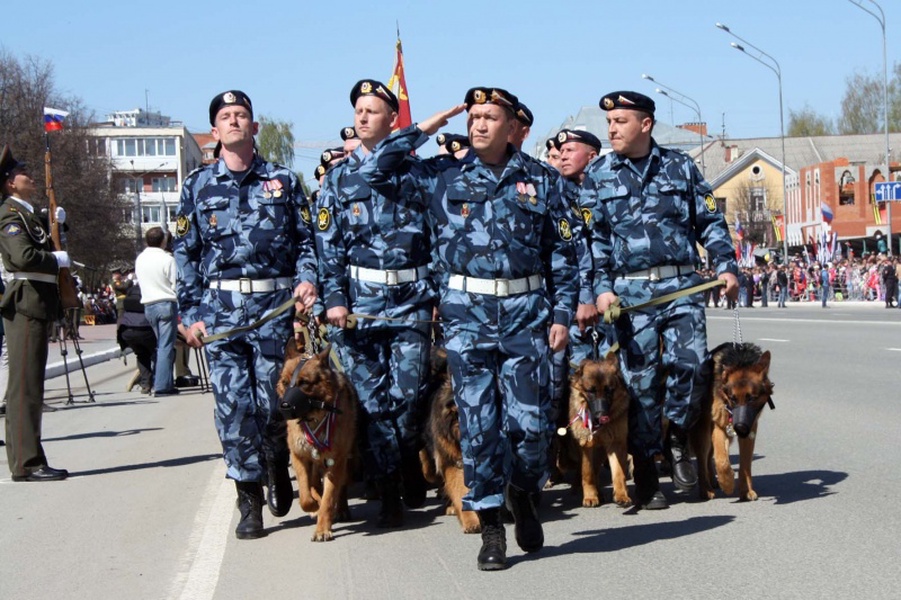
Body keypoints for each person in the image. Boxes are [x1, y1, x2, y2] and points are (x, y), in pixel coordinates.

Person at [369, 87, 578, 570]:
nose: (479, 124)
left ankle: (524, 492)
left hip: (527, 315)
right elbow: (376, 170)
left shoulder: (541, 181)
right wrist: (421, 130)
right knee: (478, 431)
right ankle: (490, 527)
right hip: (467, 320)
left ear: (512, 126)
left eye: (490, 117)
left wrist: (563, 315)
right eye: (474, 116)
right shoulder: (442, 175)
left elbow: (564, 256)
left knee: (531, 429)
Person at [582, 91, 738, 510]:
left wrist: (726, 265)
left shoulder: (680, 167)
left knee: (690, 365)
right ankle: (649, 468)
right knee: (641, 383)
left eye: (620, 121)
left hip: (680, 285)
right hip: (629, 294)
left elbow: (709, 219)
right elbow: (592, 241)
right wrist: (601, 289)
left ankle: (677, 436)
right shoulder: (598, 176)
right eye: (609, 122)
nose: (612, 129)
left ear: (645, 124)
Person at [174, 91, 318, 539]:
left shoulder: (282, 180)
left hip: (273, 311)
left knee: (272, 403)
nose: (235, 121)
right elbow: (185, 253)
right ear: (215, 132)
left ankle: (277, 458)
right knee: (233, 410)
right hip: (221, 317)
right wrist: (190, 313)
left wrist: (307, 280)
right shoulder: (197, 186)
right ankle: (248, 498)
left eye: (242, 116)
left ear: (254, 128)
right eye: (226, 117)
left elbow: (306, 240)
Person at [316, 79, 434, 528]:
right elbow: (329, 247)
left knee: (405, 401)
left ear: (393, 119)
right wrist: (334, 301)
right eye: (357, 111)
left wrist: (437, 295)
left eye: (372, 110)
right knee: (369, 401)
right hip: (358, 307)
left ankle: (402, 465)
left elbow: (440, 240)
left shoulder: (419, 174)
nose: (362, 117)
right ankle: (388, 491)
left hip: (411, 302)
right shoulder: (339, 179)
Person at [0, 144, 71, 482]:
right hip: (25, 303)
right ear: (10, 183)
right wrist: (54, 260)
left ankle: (29, 458)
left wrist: (56, 224)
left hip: (37, 302)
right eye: (22, 173)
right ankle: (27, 463)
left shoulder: (27, 213)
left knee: (30, 387)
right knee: (25, 389)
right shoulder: (9, 215)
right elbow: (22, 257)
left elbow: (43, 238)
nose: (30, 176)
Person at [135, 226, 179, 396]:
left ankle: (160, 381)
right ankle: (162, 386)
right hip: (166, 303)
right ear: (163, 241)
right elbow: (175, 283)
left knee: (160, 345)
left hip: (148, 305)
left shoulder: (140, 259)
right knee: (166, 346)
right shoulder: (167, 259)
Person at [117, 281, 156, 394]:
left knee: (142, 355)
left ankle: (145, 384)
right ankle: (160, 382)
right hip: (145, 329)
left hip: (127, 331)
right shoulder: (150, 291)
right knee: (161, 352)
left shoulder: (131, 293)